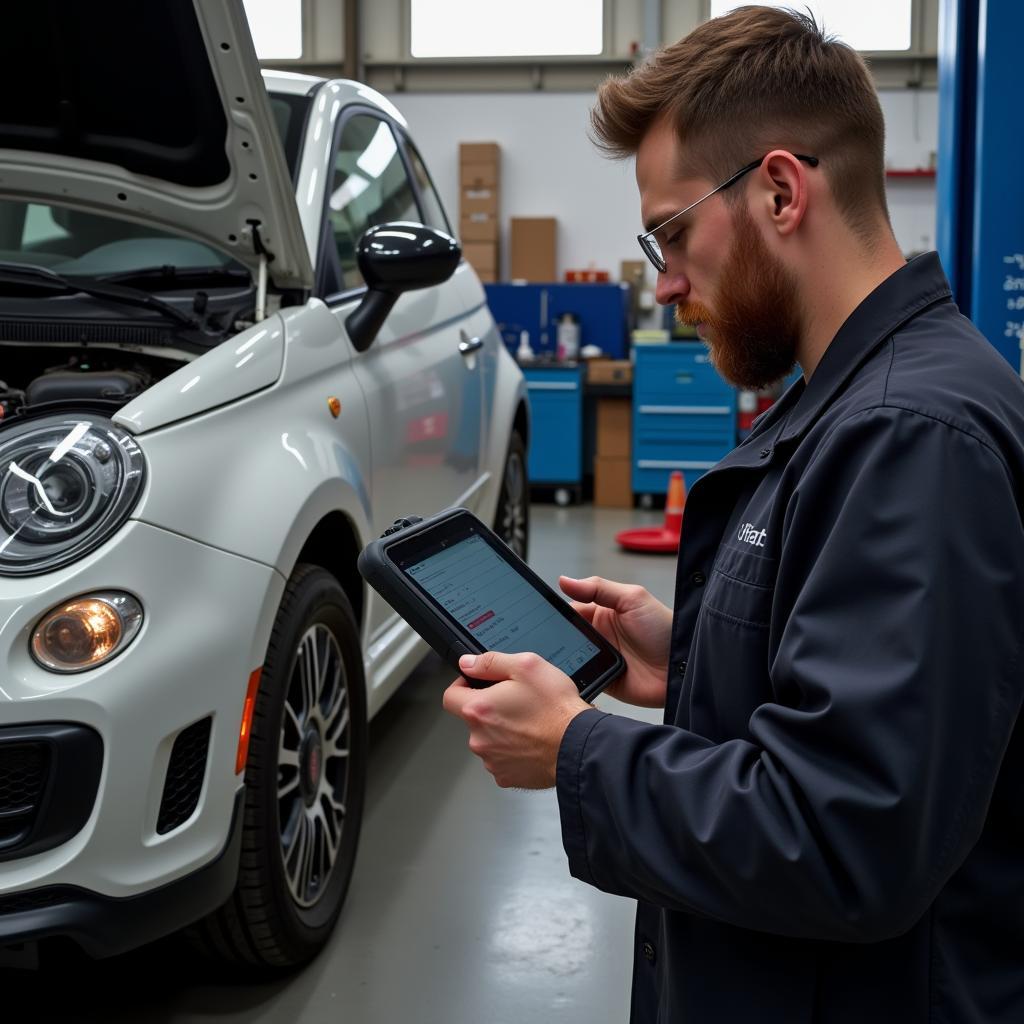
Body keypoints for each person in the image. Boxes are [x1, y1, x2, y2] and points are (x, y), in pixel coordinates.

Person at [443, 6, 1024, 1022]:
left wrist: (576, 750)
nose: (665, 284)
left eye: (670, 234)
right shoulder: (847, 401)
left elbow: (847, 834)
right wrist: (697, 655)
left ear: (781, 190)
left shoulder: (910, 435)